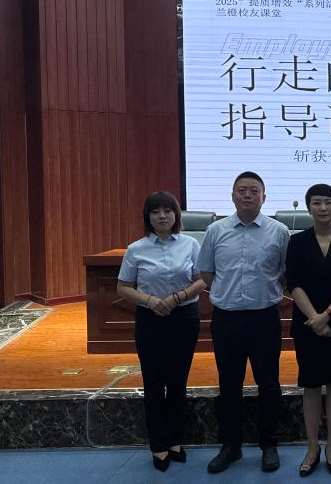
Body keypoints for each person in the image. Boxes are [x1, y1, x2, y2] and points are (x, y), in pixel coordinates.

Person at [197, 171, 290, 474]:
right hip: (227, 319)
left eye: (254, 190)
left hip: (264, 318)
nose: (247, 195)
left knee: (269, 384)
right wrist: (229, 294)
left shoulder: (279, 231)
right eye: (241, 190)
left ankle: (269, 444)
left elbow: (284, 273)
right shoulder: (216, 230)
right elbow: (207, 273)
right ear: (232, 196)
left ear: (264, 197)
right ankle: (230, 445)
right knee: (229, 384)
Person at [117, 191, 206, 472]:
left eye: (168, 211)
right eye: (155, 212)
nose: (162, 216)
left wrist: (177, 297)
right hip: (151, 319)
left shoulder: (191, 244)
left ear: (176, 215)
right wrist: (150, 301)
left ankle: (176, 440)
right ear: (148, 217)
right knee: (154, 383)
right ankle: (158, 444)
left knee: (178, 382)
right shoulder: (136, 249)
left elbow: (202, 279)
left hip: (184, 317)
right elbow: (123, 287)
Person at [285, 183, 331, 477]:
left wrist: (326, 315)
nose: (323, 208)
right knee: (311, 385)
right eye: (317, 203)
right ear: (309, 207)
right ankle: (312, 447)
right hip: (307, 323)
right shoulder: (297, 241)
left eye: (328, 202)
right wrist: (315, 318)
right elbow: (293, 283)